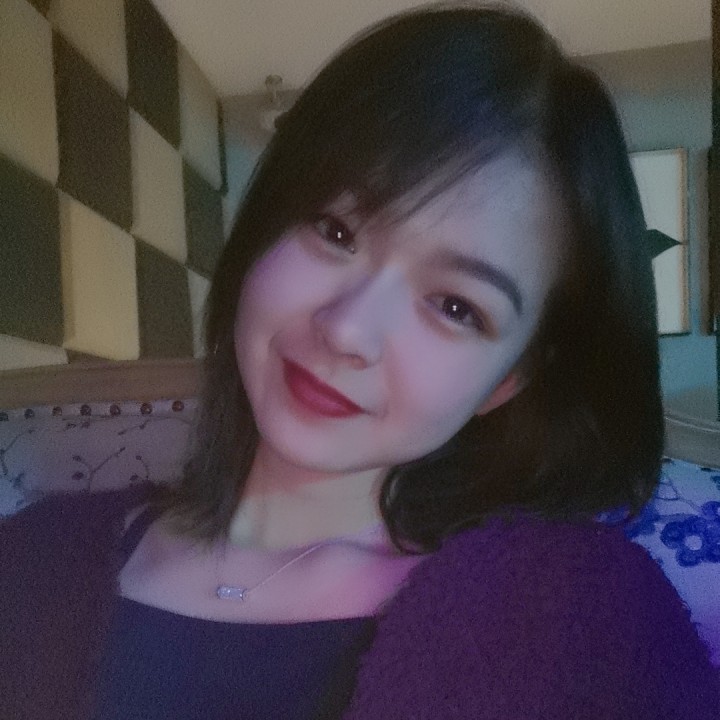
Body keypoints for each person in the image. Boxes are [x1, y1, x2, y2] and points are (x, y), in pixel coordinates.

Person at [1, 3, 718, 719]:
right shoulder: (35, 557)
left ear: (508, 378)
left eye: (455, 306)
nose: (347, 330)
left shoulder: (581, 630)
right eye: (335, 230)